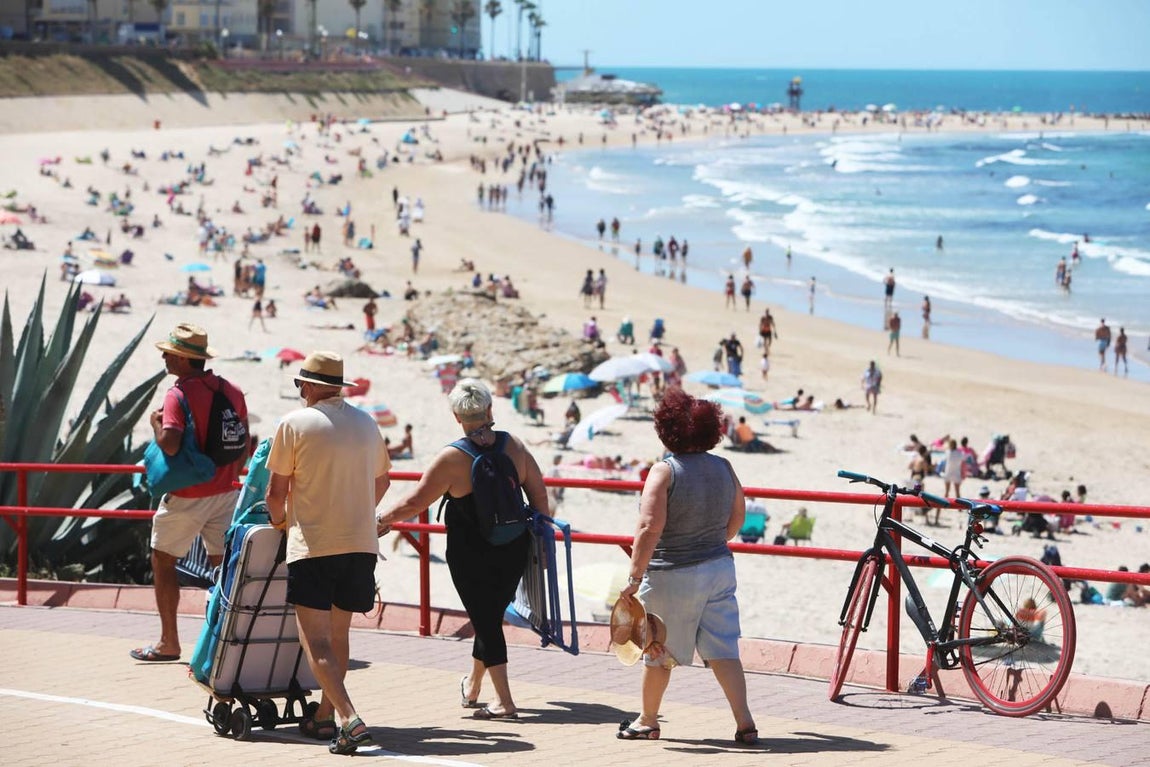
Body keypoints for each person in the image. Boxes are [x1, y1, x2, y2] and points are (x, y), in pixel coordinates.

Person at [375, 379, 550, 720]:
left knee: (485, 621)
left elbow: (414, 501)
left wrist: (380, 519)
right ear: (489, 410)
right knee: (487, 616)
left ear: (457, 416)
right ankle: (473, 686)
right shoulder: (513, 445)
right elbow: (539, 495)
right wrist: (542, 542)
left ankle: (504, 702)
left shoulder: (452, 458)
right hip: (514, 546)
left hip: (470, 554)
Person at [616, 387, 758, 744]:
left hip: (671, 573)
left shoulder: (665, 471)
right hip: (718, 567)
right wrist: (714, 539)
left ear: (667, 428)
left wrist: (634, 577)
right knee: (724, 648)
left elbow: (649, 527)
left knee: (659, 651)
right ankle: (745, 721)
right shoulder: (724, 467)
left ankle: (648, 719)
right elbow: (737, 517)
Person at [265, 352, 388, 753]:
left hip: (314, 544)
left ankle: (348, 718)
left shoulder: (294, 424)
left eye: (301, 384)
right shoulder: (366, 423)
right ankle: (322, 717)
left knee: (315, 641)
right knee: (339, 635)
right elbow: (382, 482)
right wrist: (356, 510)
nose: (299, 391)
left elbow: (275, 493)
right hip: (360, 544)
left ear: (313, 386)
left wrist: (281, 524)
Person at [131, 324, 248, 663]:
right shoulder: (232, 390)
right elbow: (243, 444)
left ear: (183, 359)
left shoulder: (177, 394)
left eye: (168, 352)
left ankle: (169, 642)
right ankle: (227, 645)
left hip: (187, 494)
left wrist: (154, 423)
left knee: (163, 559)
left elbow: (169, 443)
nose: (164, 356)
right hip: (226, 491)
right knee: (223, 568)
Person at [941, 438, 964, 522]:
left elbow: (943, 460)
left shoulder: (948, 452)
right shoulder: (960, 453)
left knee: (947, 491)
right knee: (957, 492)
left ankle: (943, 505)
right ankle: (960, 508)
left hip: (948, 473)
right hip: (956, 473)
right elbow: (963, 461)